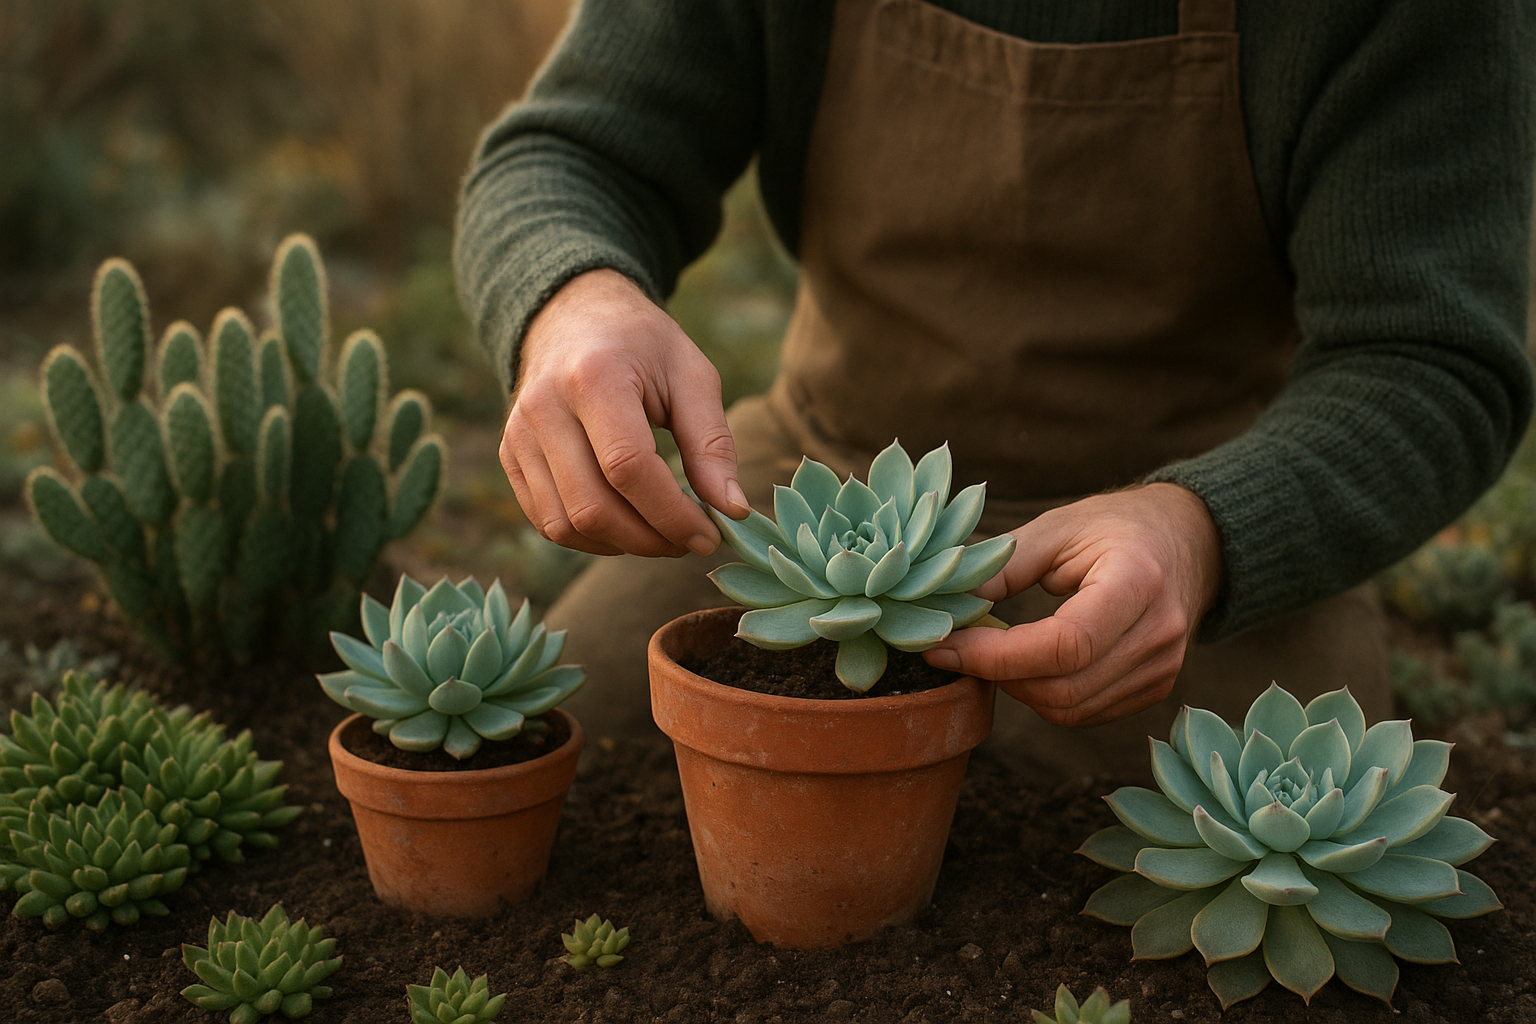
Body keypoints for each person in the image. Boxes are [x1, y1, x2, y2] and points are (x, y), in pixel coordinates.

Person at [454, 0, 1536, 781]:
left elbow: (1429, 358)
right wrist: (571, 300)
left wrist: (1205, 532)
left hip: (1192, 565)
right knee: (549, 773)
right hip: (806, 505)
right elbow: (569, 151)